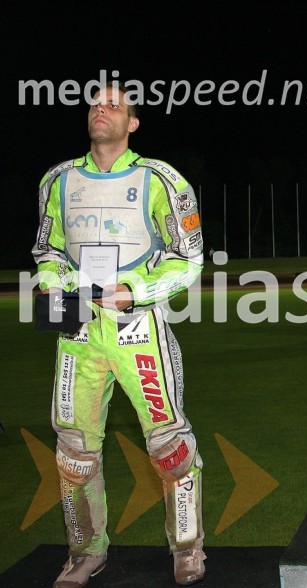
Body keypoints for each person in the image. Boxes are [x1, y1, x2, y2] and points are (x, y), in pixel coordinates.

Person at [32, 83, 206, 587]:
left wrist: (136, 288)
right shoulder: (57, 180)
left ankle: (188, 548)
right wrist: (54, 286)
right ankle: (86, 551)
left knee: (170, 445)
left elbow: (189, 258)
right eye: (94, 104)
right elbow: (48, 250)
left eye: (114, 105)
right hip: (78, 334)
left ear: (132, 123)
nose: (101, 110)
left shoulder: (163, 180)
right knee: (74, 451)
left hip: (139, 330)